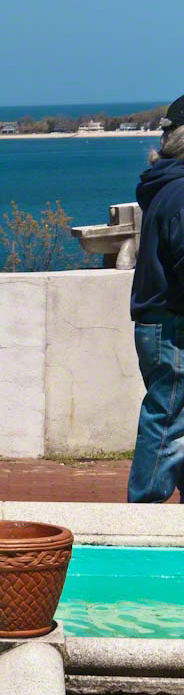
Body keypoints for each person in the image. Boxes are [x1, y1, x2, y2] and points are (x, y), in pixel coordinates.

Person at [128, 94, 184, 502]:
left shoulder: (166, 185)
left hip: (160, 321)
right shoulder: (181, 191)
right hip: (172, 324)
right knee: (166, 419)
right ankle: (141, 513)